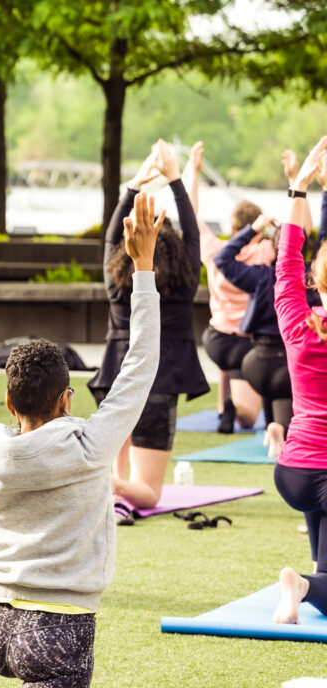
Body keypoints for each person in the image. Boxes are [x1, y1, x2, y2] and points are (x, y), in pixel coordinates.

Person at [0, 193, 164, 688]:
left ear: (8, 401)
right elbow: (139, 365)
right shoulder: (89, 445)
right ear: (67, 399)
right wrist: (143, 268)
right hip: (55, 632)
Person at [89, 141, 208, 516]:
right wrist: (175, 179)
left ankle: (112, 481)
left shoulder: (116, 282)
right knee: (151, 494)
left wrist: (135, 186)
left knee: (121, 436)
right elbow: (194, 236)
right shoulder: (186, 282)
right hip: (161, 379)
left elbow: (111, 239)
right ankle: (111, 484)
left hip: (116, 376)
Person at [269, 137, 327, 627]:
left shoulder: (296, 320)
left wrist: (299, 188)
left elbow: (286, 264)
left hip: (292, 472)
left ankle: (312, 579)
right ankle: (305, 584)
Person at [190, 142, 267, 433]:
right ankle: (237, 408)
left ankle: (226, 406)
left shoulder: (213, 249)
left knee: (228, 366)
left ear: (233, 230)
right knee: (248, 420)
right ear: (257, 230)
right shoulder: (264, 252)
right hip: (249, 343)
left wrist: (194, 173)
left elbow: (191, 215)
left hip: (217, 341)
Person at [212, 212, 297, 459]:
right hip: (288, 361)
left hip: (256, 362)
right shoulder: (307, 278)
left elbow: (222, 258)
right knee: (289, 388)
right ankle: (280, 428)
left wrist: (253, 229)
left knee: (272, 389)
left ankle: (273, 429)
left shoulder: (261, 277)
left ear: (273, 248)